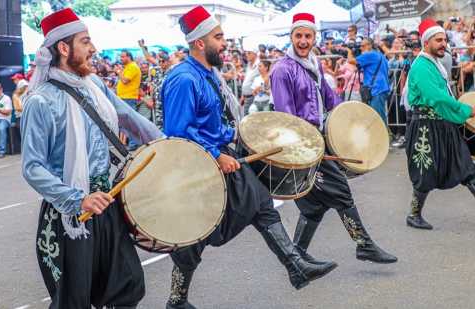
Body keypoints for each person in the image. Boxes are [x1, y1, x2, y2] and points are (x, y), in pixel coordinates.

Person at [161, 6, 336, 308]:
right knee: (193, 235)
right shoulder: (184, 79)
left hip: (221, 158)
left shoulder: (208, 74)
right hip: (196, 166)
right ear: (200, 42)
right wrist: (216, 155)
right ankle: (177, 300)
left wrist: (245, 134)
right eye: (218, 37)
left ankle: (295, 266)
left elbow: (212, 124)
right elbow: (178, 131)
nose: (224, 42)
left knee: (261, 204)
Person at [20, 8, 161, 308]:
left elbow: (128, 117)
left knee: (128, 287)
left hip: (106, 203)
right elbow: (32, 167)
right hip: (70, 215)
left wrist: (167, 147)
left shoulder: (95, 85)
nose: (93, 48)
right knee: (74, 302)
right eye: (85, 41)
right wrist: (76, 199)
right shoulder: (40, 101)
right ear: (63, 48)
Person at [271, 12, 397, 266]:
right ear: (291, 37)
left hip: (318, 138)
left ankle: (298, 254)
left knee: (314, 205)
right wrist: (303, 145)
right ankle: (363, 245)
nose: (303, 41)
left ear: (314, 37)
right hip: (303, 144)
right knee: (341, 190)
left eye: (308, 36)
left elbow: (330, 98)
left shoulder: (314, 64)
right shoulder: (282, 69)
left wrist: (348, 120)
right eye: (299, 36)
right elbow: (286, 116)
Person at [404, 19, 475, 230]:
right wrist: (464, 110)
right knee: (425, 171)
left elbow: (442, 96)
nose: (443, 44)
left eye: (445, 40)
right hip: (425, 127)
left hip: (443, 124)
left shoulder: (433, 64)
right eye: (438, 40)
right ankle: (413, 214)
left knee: (465, 165)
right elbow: (435, 97)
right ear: (426, 42)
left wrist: (457, 113)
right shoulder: (421, 65)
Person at [348, 37, 390, 123]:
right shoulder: (380, 55)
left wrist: (349, 51)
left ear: (369, 46)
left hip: (376, 89)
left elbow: (351, 61)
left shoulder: (370, 55)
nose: (360, 48)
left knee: (377, 118)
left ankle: (384, 135)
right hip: (381, 88)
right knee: (379, 116)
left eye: (362, 46)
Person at [115, 49, 142, 150]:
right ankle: (131, 143)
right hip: (124, 98)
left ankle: (133, 144)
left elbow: (125, 80)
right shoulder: (128, 67)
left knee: (130, 122)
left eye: (123, 57)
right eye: (121, 57)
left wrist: (119, 72)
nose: (121, 59)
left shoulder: (133, 67)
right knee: (126, 123)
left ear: (128, 57)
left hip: (129, 98)